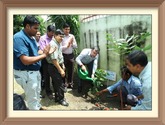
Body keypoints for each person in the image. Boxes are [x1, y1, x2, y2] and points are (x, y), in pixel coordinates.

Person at [13, 15, 54, 110]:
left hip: (34, 72)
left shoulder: (31, 37)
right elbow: (25, 60)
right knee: (31, 97)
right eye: (35, 28)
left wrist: (46, 53)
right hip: (26, 73)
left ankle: (37, 107)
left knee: (36, 92)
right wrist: (44, 55)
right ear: (27, 26)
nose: (37, 31)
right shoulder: (19, 38)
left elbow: (36, 52)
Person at [47, 29, 69, 106]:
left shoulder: (58, 43)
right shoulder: (53, 44)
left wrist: (62, 64)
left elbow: (60, 55)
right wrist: (60, 70)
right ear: (55, 36)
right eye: (60, 36)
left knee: (56, 83)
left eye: (63, 37)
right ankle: (61, 99)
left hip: (57, 65)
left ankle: (57, 97)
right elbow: (54, 59)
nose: (62, 38)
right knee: (60, 84)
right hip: (54, 66)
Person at [39, 25, 55, 99]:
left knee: (54, 75)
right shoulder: (42, 38)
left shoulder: (54, 37)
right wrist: (50, 50)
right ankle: (48, 92)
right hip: (45, 60)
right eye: (51, 32)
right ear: (47, 31)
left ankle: (55, 90)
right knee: (46, 76)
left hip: (54, 59)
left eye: (53, 32)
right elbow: (43, 51)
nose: (52, 34)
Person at [61, 23, 77, 89]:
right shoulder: (61, 36)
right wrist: (67, 46)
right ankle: (64, 84)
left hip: (71, 55)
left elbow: (75, 46)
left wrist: (72, 42)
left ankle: (70, 83)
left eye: (68, 29)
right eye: (66, 29)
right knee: (63, 70)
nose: (67, 31)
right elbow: (59, 47)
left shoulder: (72, 36)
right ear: (63, 29)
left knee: (71, 70)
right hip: (63, 55)